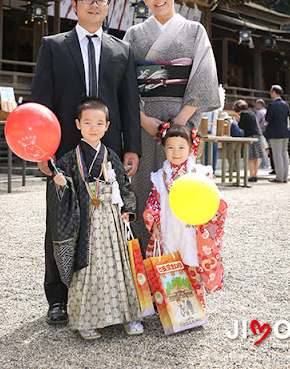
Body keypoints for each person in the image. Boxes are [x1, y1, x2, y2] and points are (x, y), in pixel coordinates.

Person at [31, 0, 141, 324]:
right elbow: (41, 101)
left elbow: (128, 104)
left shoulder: (121, 50)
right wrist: (41, 151)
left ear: (108, 7)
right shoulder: (54, 45)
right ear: (74, 5)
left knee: (107, 220)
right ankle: (57, 297)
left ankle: (105, 292)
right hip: (63, 147)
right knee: (61, 219)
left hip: (107, 147)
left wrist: (132, 148)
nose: (95, 4)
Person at [124, 0, 220, 248]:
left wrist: (180, 120)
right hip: (144, 120)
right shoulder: (134, 34)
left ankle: (179, 268)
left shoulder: (194, 31)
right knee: (143, 188)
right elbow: (125, 81)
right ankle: (144, 269)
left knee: (179, 189)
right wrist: (141, 118)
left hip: (182, 121)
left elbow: (204, 75)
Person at [52, 98, 143, 340]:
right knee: (88, 269)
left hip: (111, 218)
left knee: (117, 267)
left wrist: (128, 208)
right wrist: (62, 183)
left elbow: (124, 185)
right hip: (86, 221)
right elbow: (62, 183)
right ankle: (86, 320)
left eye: (99, 123)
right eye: (88, 122)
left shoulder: (110, 155)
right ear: (78, 124)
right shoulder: (71, 158)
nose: (94, 127)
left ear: (107, 126)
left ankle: (126, 315)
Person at [143, 124, 228, 305]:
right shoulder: (159, 177)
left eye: (181, 147)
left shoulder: (200, 173)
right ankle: (173, 308)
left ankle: (196, 306)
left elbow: (214, 201)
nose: (176, 152)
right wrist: (155, 224)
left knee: (192, 265)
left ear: (191, 148)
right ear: (164, 149)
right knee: (170, 266)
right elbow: (154, 201)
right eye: (171, 147)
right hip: (168, 228)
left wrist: (206, 214)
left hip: (193, 230)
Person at [264, 85, 290, 183]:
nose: (270, 94)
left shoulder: (272, 105)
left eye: (271, 92)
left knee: (277, 154)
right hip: (285, 131)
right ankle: (285, 177)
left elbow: (268, 119)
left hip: (275, 132)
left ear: (274, 92)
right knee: (284, 154)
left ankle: (279, 177)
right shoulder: (285, 104)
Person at [233, 100, 263, 182]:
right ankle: (255, 175)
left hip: (249, 136)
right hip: (257, 135)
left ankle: (251, 175)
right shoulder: (252, 112)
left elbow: (242, 126)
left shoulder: (243, 114)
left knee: (250, 157)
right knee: (256, 157)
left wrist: (238, 121)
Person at [255, 99, 269, 169]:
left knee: (262, 148)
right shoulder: (265, 111)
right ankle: (265, 163)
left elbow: (256, 122)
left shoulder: (259, 112)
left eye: (257, 104)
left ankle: (264, 163)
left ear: (260, 104)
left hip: (260, 131)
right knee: (265, 148)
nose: (256, 105)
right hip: (266, 131)